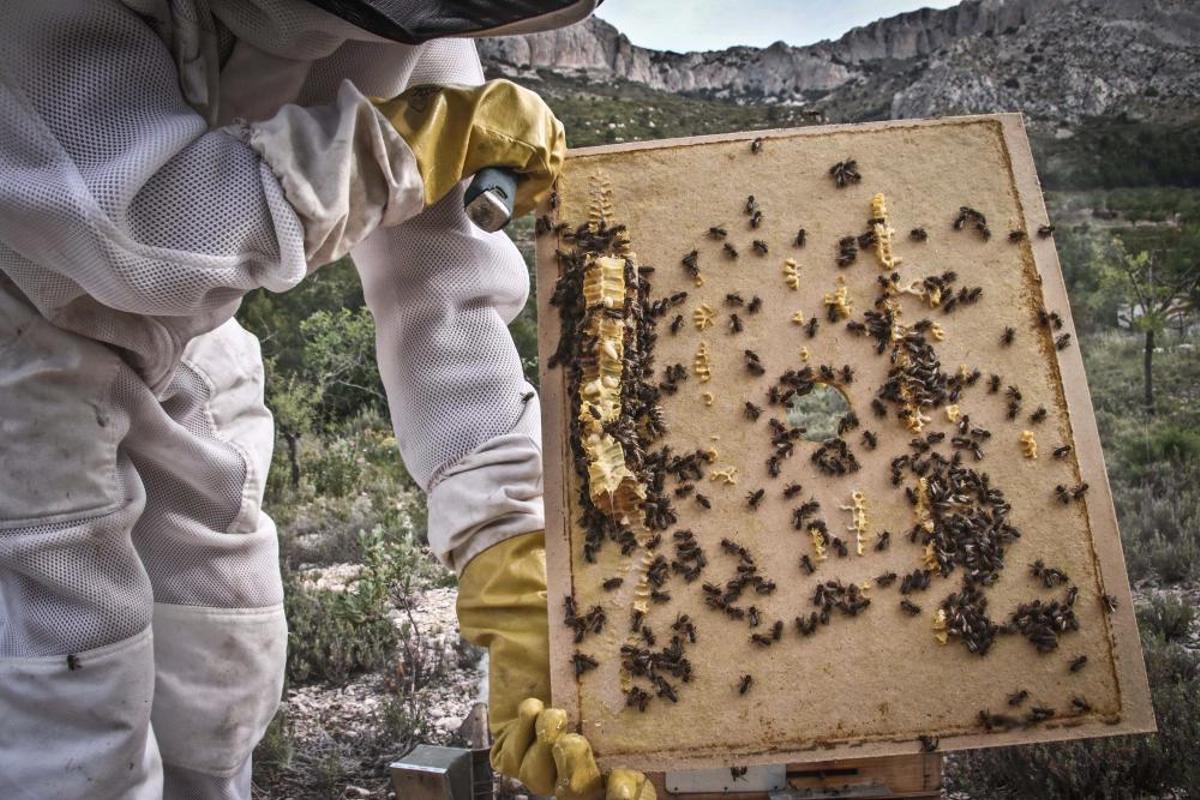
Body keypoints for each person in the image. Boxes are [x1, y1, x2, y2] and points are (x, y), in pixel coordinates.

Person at [0, 1, 653, 798]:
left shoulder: (422, 15)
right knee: (69, 712)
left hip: (183, 338)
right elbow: (143, 228)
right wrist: (400, 145)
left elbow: (442, 279)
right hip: (18, 326)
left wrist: (509, 542)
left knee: (219, 670)